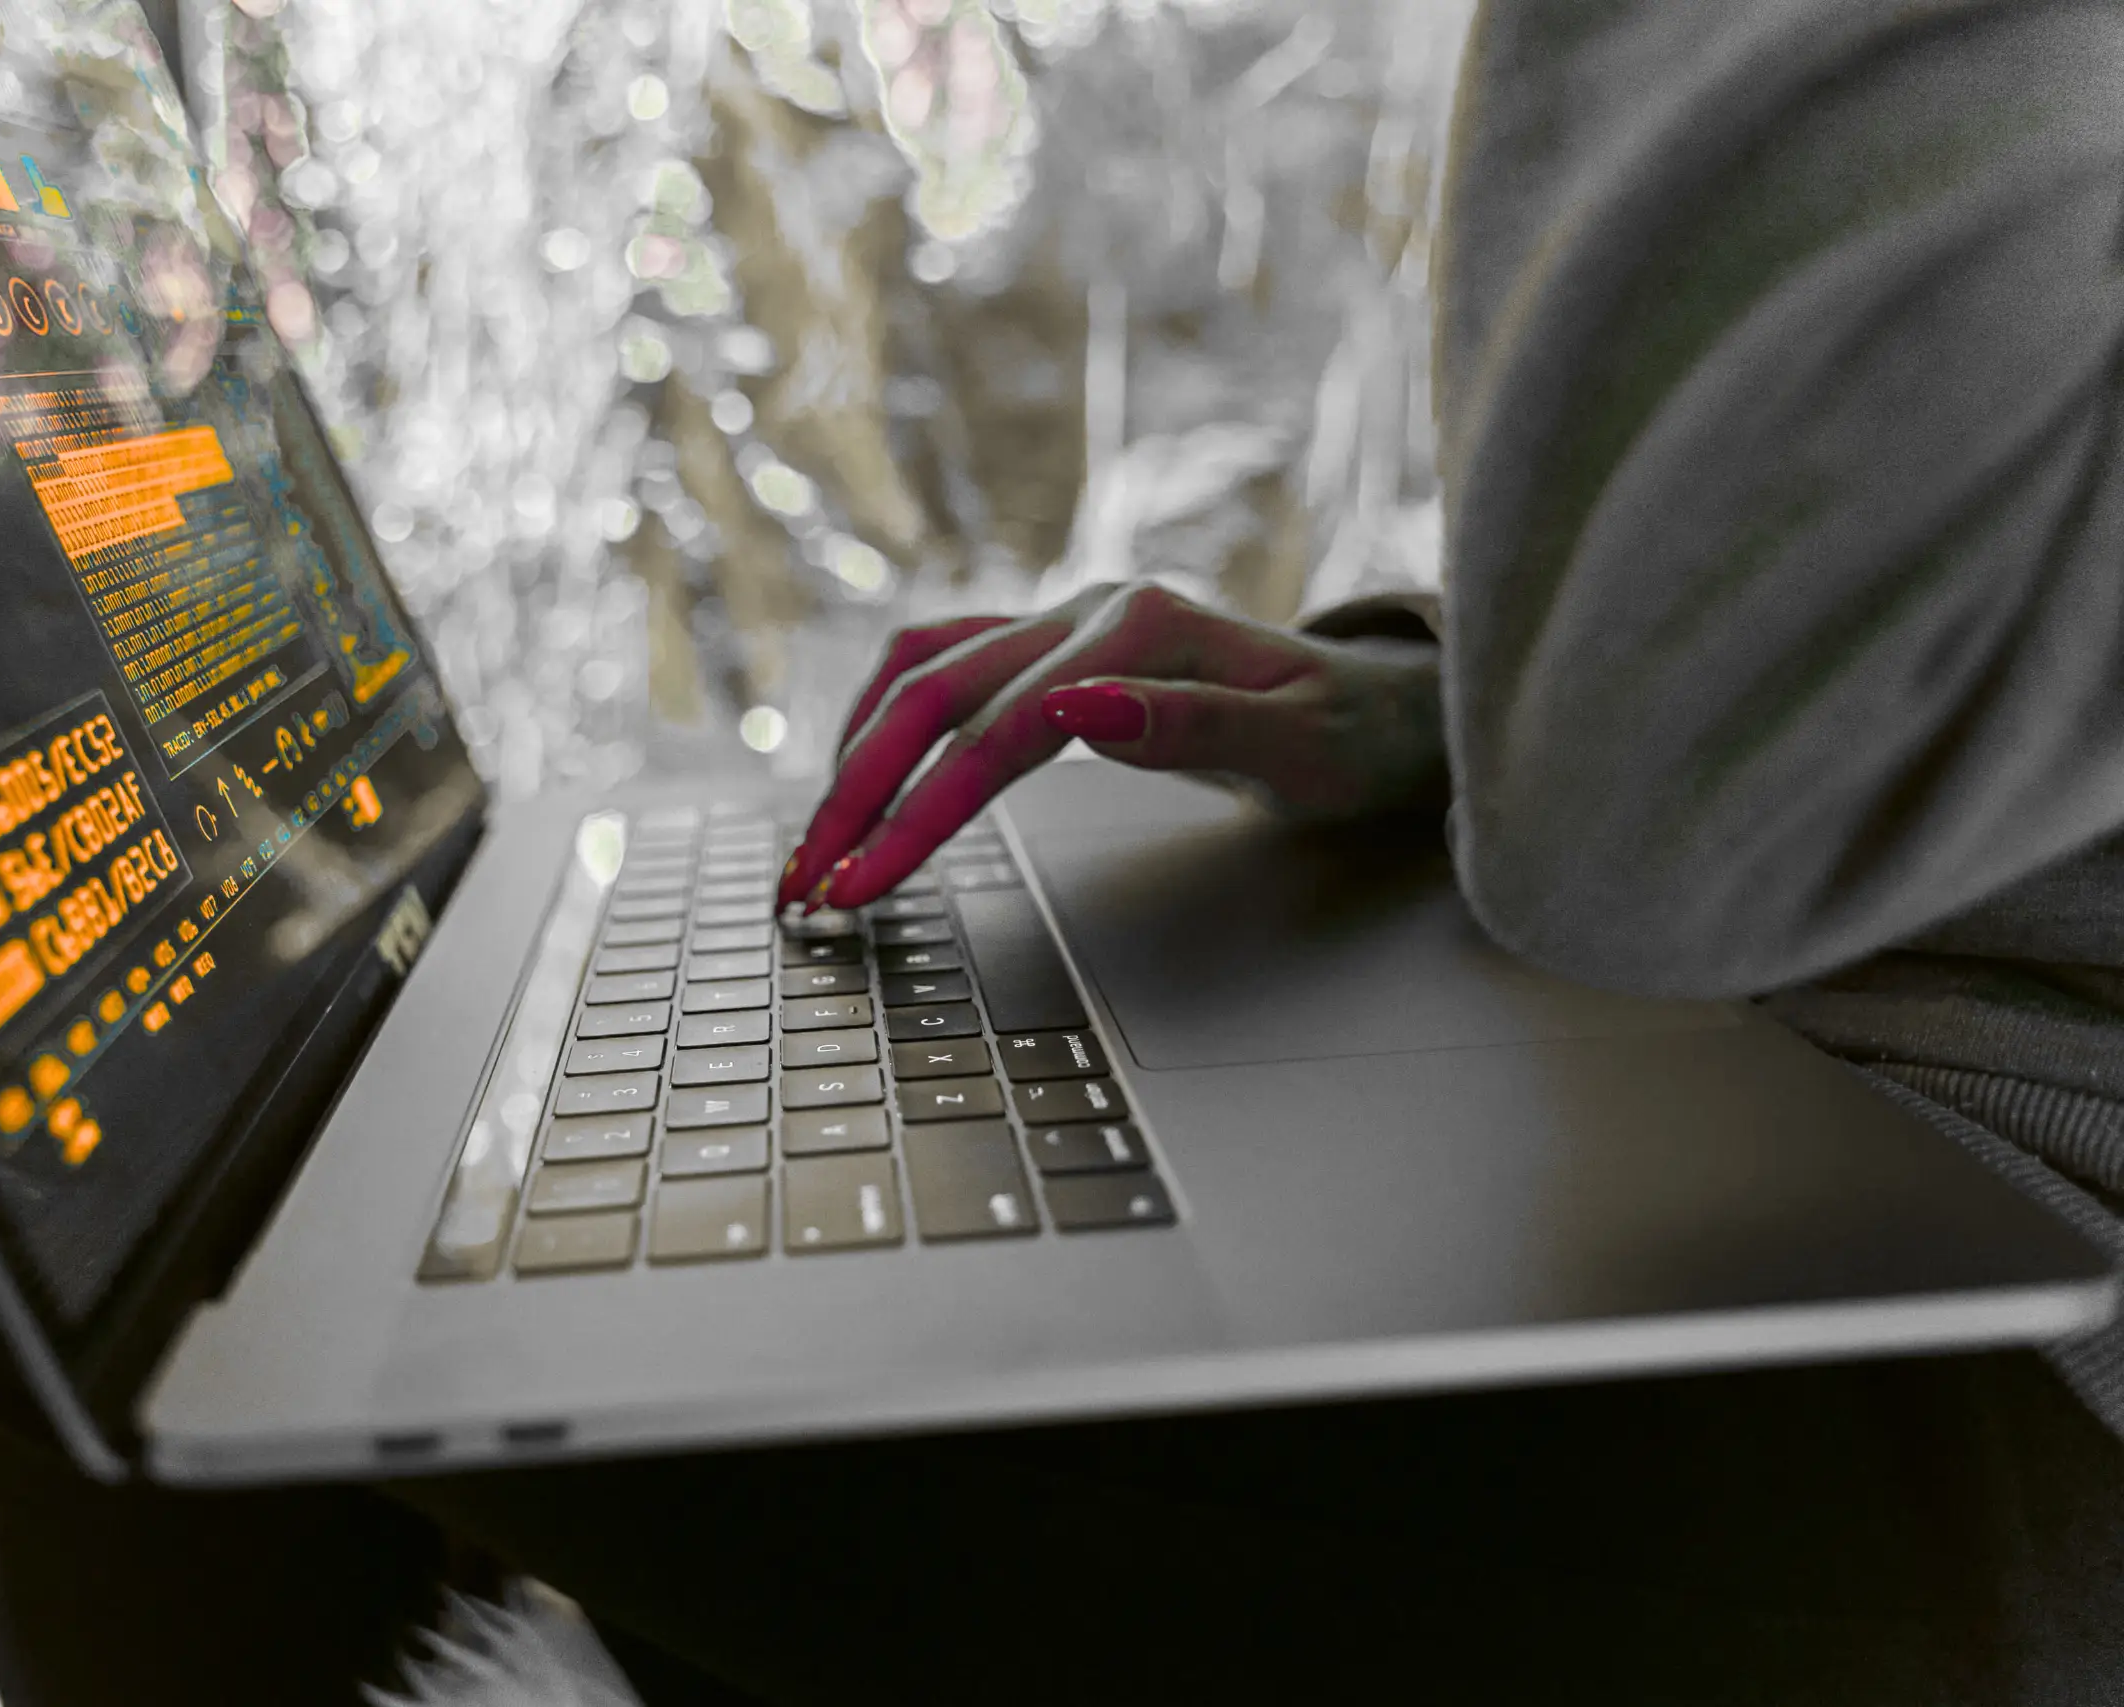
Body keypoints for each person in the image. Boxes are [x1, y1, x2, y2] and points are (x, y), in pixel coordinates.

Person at [403, 2, 2124, 1702]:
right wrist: (1446, 707)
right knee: (383, 1234)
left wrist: (1624, 736)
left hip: (2034, 1331)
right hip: (1819, 1048)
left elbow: (1682, 834)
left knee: (338, 1326)